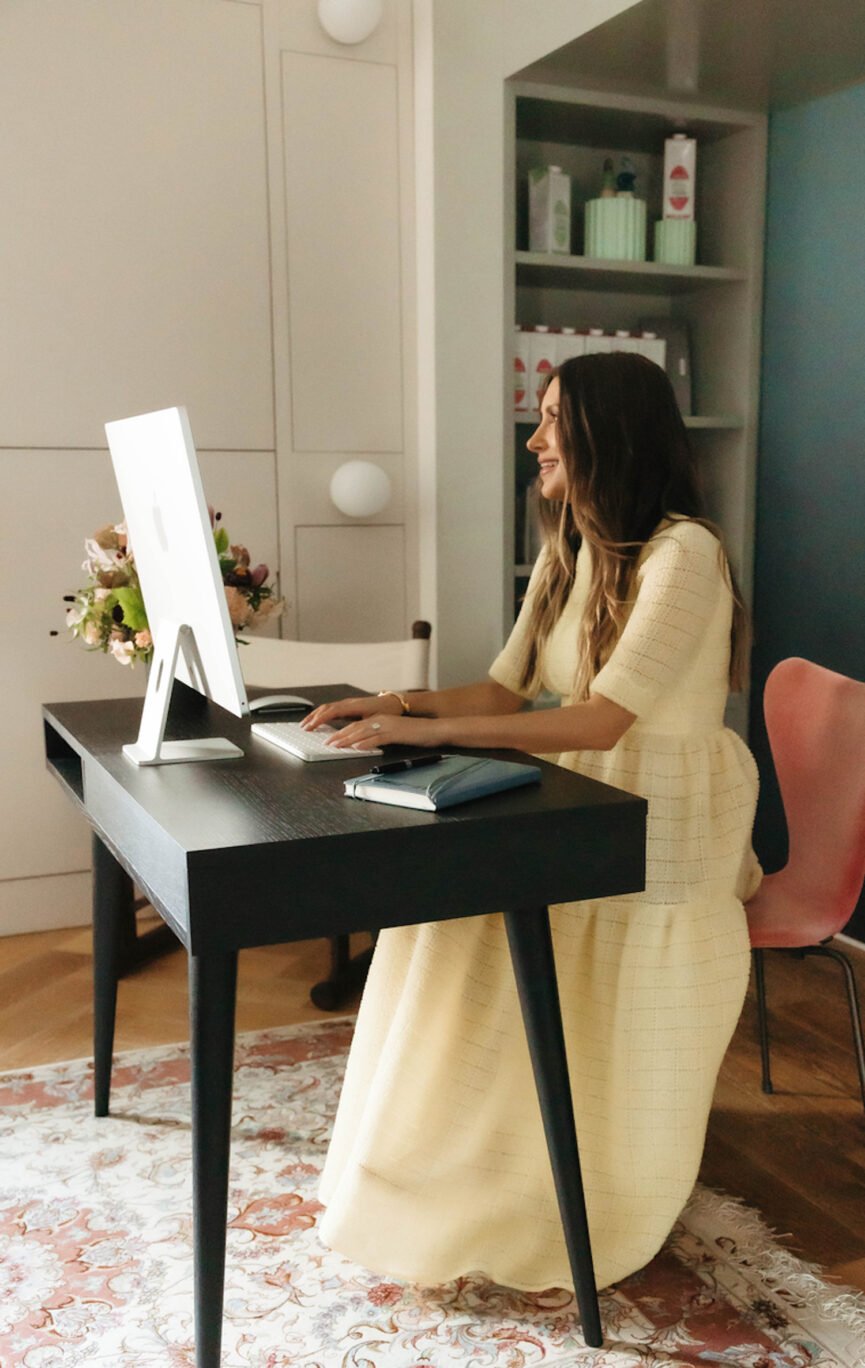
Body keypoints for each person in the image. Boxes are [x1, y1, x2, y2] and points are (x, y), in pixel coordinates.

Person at [302, 351, 762, 1294]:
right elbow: (504, 686)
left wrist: (415, 728)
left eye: (553, 418)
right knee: (446, 926)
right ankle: (455, 1164)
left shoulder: (686, 553)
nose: (534, 438)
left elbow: (601, 718)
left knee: (567, 963)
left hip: (660, 810)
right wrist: (388, 702)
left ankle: (588, 1177)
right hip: (579, 789)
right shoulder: (569, 548)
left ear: (608, 429)